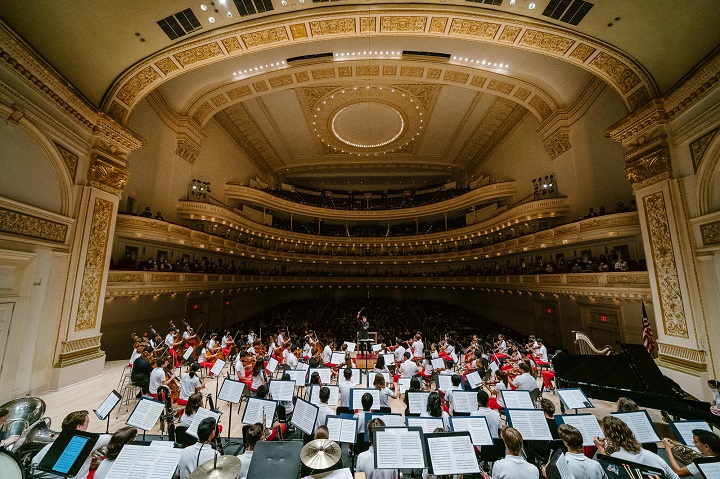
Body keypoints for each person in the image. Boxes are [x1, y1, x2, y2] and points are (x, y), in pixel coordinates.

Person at [31, 410, 112, 479]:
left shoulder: (49, 446)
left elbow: (34, 466)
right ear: (79, 426)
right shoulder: (86, 441)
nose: (89, 422)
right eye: (87, 420)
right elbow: (112, 438)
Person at [593, 416, 680, 479]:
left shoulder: (614, 459)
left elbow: (610, 473)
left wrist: (601, 450)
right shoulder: (653, 457)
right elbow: (675, 477)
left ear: (608, 438)